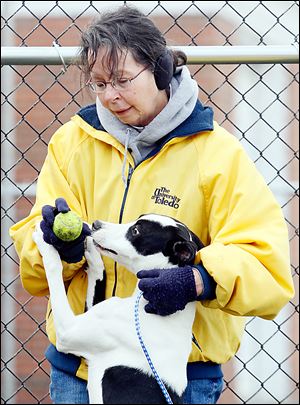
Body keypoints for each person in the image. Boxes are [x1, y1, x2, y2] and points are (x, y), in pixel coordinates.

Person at [9, 5, 294, 405]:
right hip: (82, 370)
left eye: (122, 80)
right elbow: (33, 258)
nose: (110, 96)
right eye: (98, 84)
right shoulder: (71, 143)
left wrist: (200, 280)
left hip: (177, 378)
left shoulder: (217, 154)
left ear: (160, 71)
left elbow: (267, 267)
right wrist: (60, 247)